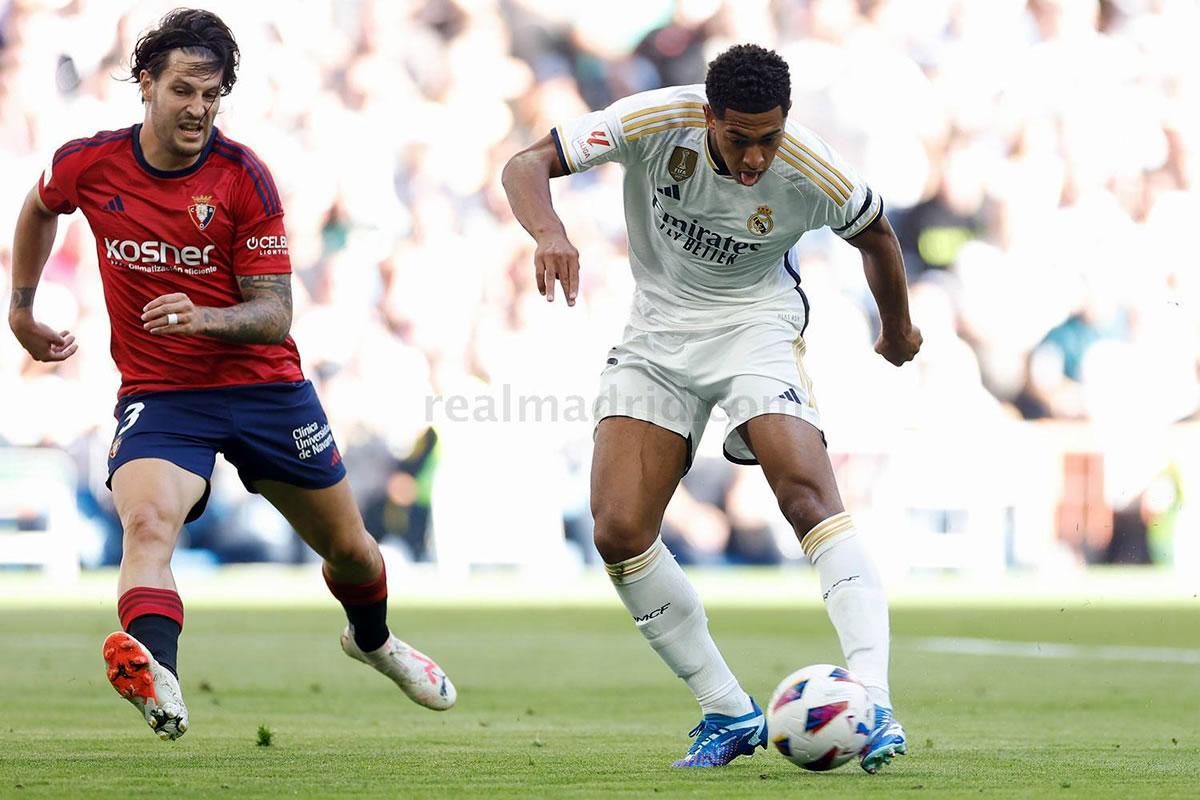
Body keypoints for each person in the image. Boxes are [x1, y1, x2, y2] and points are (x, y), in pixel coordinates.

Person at [7, 8, 455, 741]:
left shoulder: (243, 177)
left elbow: (276, 313)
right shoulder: (90, 163)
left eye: (212, 95)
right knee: (146, 524)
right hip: (163, 396)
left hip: (264, 391)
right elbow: (37, 207)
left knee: (350, 550)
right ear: (146, 84)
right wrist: (22, 308)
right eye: (183, 90)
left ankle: (373, 640)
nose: (198, 109)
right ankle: (158, 676)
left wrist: (204, 318)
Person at [503, 44, 920, 772]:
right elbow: (525, 163)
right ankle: (727, 709)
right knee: (619, 530)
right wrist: (550, 232)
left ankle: (874, 700)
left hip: (755, 326)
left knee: (806, 495)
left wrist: (898, 329)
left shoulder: (812, 167)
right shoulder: (654, 120)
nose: (756, 157)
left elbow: (877, 236)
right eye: (738, 137)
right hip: (656, 334)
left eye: (769, 137)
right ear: (708, 117)